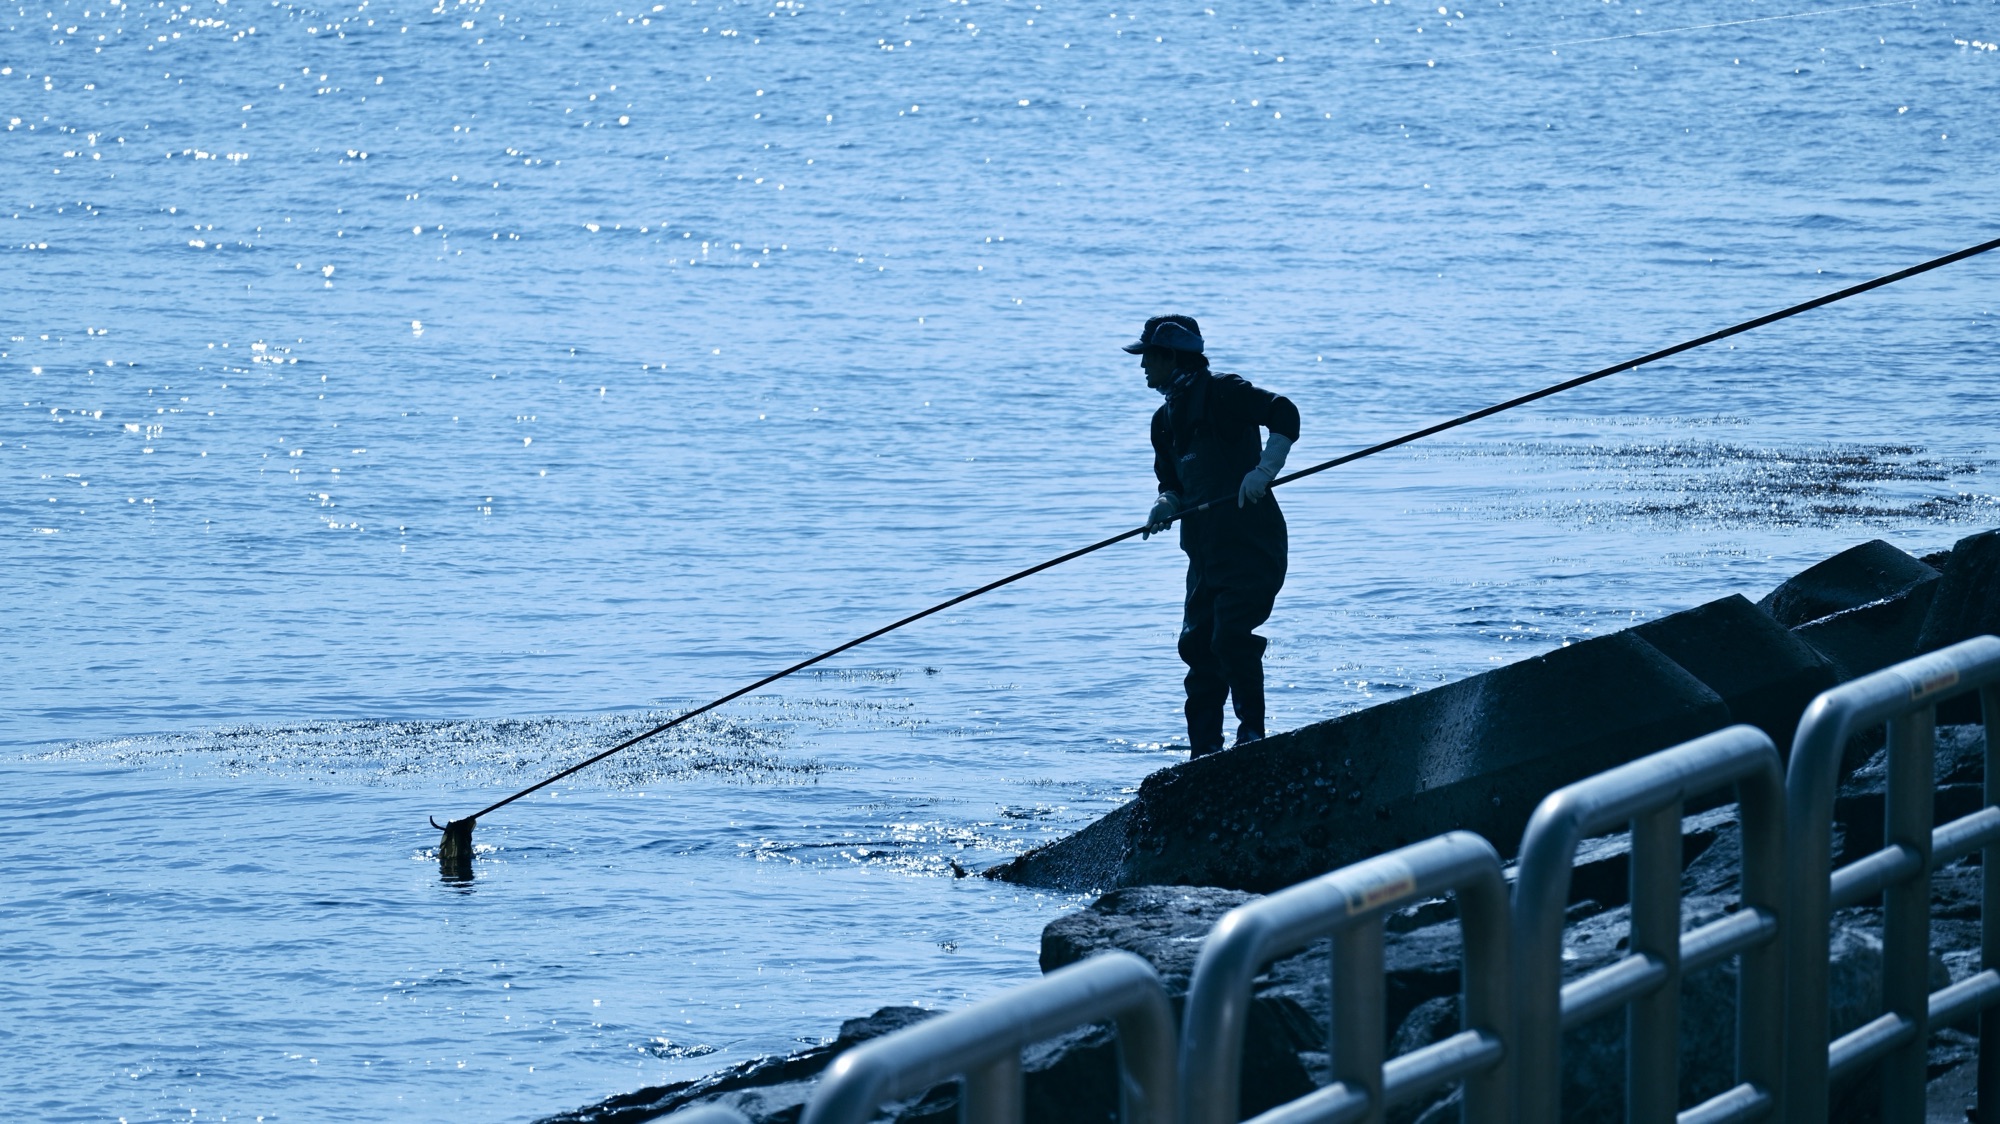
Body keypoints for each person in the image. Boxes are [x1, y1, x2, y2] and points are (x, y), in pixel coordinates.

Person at [1128, 315, 1300, 758]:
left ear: (1171, 356)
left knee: (1230, 638)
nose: (1142, 366)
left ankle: (1252, 738)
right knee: (1198, 647)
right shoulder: (1163, 421)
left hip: (1252, 544)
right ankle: (1203, 754)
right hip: (1204, 554)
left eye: (1148, 357)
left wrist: (1264, 471)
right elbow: (1172, 482)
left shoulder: (1225, 391)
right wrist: (1166, 503)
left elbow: (1284, 412)